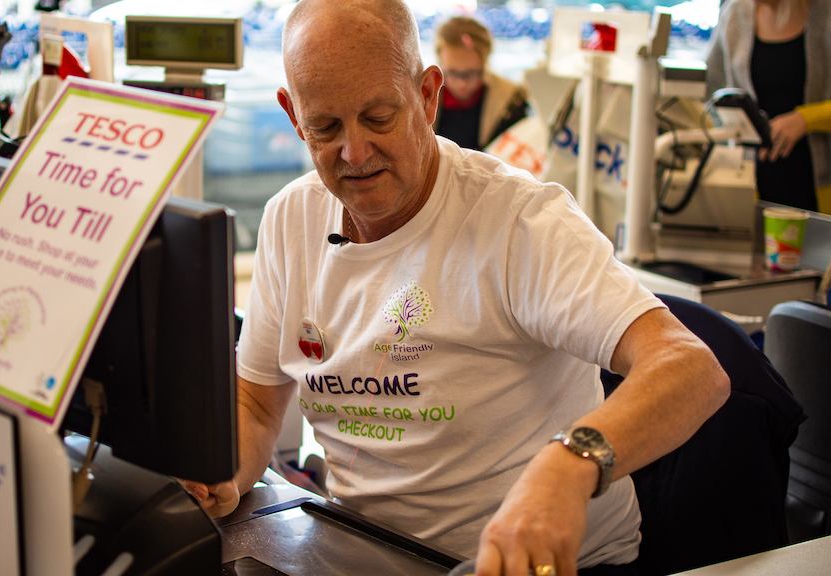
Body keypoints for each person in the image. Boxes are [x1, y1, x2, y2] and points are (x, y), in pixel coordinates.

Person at [185, 1, 729, 575]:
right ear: (292, 116)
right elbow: (255, 404)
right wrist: (219, 470)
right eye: (325, 127)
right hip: (362, 549)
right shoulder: (289, 220)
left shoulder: (519, 223)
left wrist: (569, 463)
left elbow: (692, 369)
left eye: (378, 117)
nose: (354, 152)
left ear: (427, 95)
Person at [706, 0, 831, 213]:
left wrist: (805, 120)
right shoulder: (735, 13)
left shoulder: (825, 15)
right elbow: (710, 93)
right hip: (751, 182)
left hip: (815, 183)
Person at [432, 15, 529, 151]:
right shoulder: (421, 96)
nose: (462, 84)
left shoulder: (511, 100)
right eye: (452, 73)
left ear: (485, 64)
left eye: (471, 73)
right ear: (439, 63)